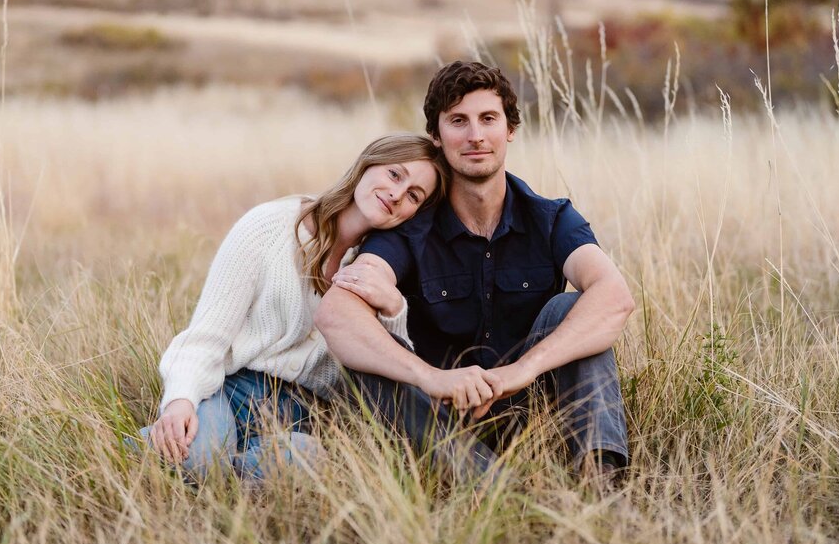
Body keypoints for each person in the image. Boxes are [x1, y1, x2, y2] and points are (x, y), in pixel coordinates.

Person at [315, 61, 635, 483]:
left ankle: (600, 482)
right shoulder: (411, 227)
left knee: (576, 307)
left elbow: (615, 298)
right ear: (436, 135)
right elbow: (336, 314)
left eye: (488, 119)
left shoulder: (551, 219)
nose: (475, 136)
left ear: (510, 129)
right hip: (438, 422)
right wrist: (432, 379)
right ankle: (496, 488)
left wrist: (521, 371)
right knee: (367, 366)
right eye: (458, 121)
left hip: (530, 408)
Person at [135, 133, 486, 482]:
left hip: (303, 412)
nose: (396, 195)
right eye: (394, 174)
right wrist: (181, 398)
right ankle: (155, 453)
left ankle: (203, 475)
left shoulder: (379, 267)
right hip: (230, 391)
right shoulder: (270, 227)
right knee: (199, 458)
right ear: (368, 164)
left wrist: (394, 309)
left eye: (414, 196)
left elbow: (379, 375)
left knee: (306, 460)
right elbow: (206, 336)